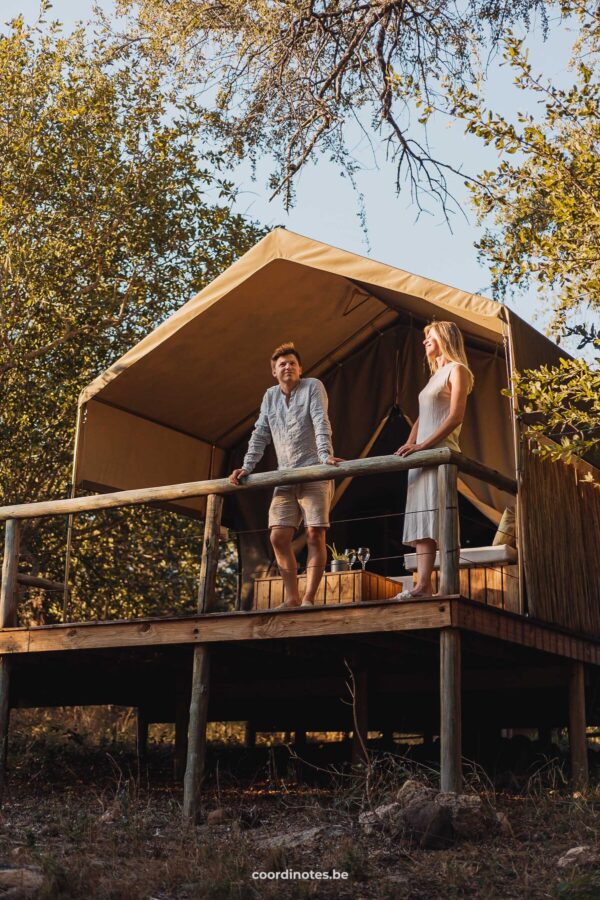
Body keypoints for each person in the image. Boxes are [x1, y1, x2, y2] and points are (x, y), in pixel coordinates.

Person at [229, 342, 342, 608]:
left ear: (300, 368)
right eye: (282, 364)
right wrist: (247, 466)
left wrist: (325, 456)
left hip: (314, 469)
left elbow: (320, 419)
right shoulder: (270, 396)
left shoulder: (313, 386)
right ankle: (291, 597)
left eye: (292, 363)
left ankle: (309, 599)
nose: (287, 367)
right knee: (278, 537)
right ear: (274, 372)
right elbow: (260, 433)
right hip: (284, 475)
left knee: (315, 534)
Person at [394, 322, 474, 599]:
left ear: (446, 338)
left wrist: (425, 445)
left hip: (438, 455)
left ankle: (446, 586)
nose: (425, 341)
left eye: (430, 336)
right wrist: (409, 443)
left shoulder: (458, 371)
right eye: (425, 337)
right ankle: (423, 584)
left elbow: (455, 416)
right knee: (421, 519)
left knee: (440, 516)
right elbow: (422, 416)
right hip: (421, 457)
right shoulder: (434, 376)